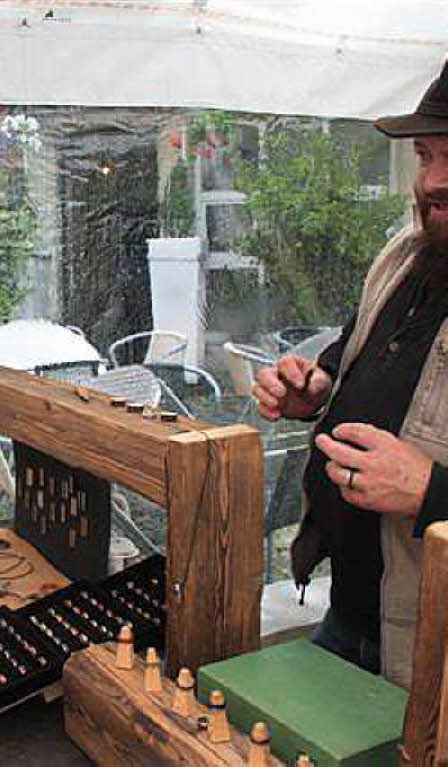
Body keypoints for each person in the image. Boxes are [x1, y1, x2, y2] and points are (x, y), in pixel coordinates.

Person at [253, 59, 448, 688]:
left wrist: (430, 491)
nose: (433, 181)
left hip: (434, 659)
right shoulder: (411, 254)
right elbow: (363, 346)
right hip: (352, 616)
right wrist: (320, 386)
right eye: (425, 155)